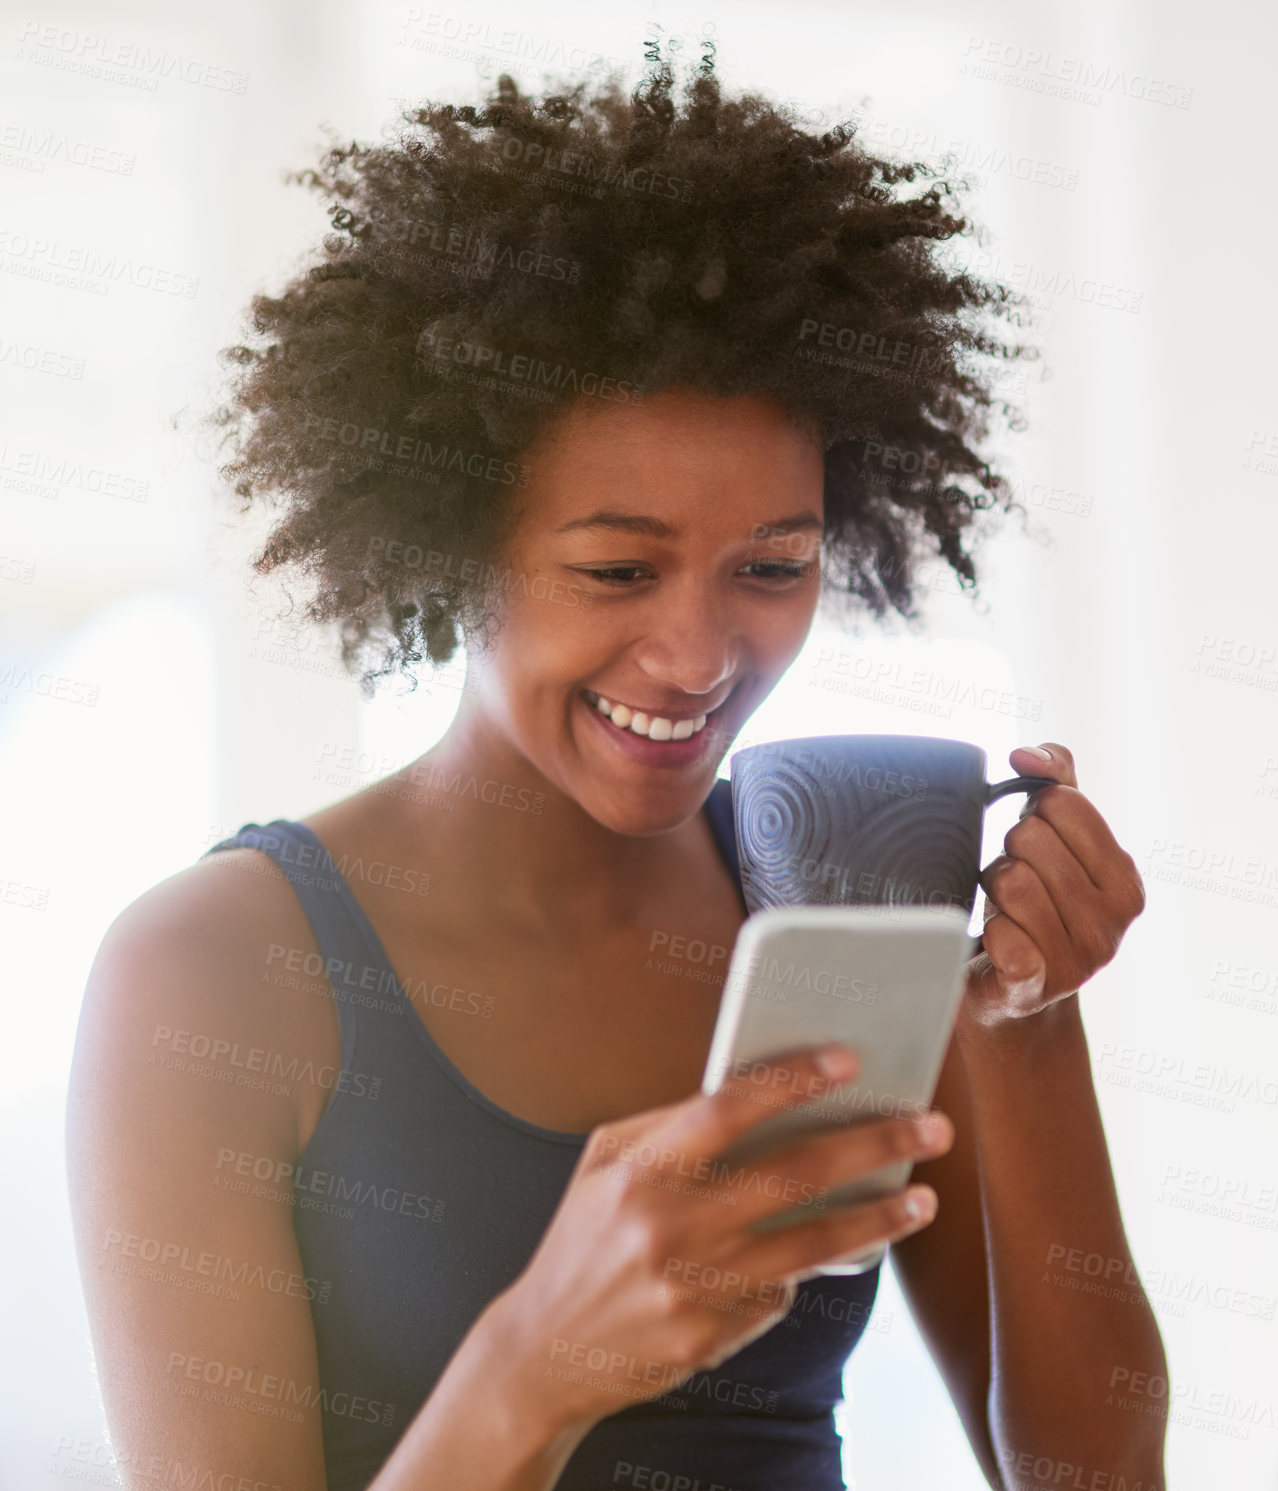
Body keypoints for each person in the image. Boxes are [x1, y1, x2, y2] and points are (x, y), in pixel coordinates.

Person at [65, 42, 1167, 1491]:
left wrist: (1026, 1024)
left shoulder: (823, 897)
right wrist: (540, 1365)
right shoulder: (209, 973)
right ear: (450, 543)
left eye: (772, 566)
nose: (703, 655)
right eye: (617, 568)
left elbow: (1095, 1476)